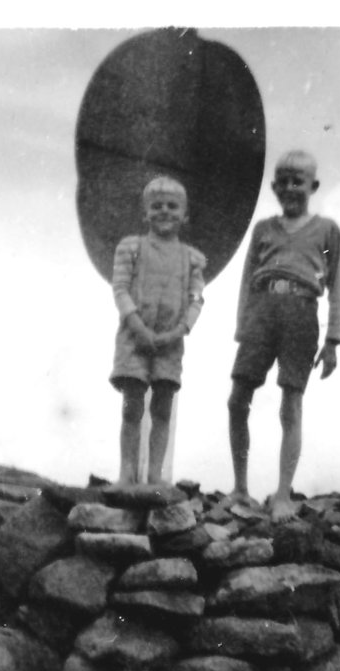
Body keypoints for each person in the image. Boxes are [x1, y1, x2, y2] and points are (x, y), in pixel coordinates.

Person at [227, 149, 340, 521]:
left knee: (290, 404)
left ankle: (282, 494)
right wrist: (243, 324)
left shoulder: (326, 231)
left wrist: (333, 339)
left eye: (299, 181)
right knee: (237, 399)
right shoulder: (263, 229)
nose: (291, 187)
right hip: (263, 309)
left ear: (313, 185)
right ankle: (240, 487)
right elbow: (248, 278)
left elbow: (336, 282)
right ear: (275, 186)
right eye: (285, 181)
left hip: (302, 312)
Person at [110, 176, 206, 484]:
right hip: (134, 339)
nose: (164, 211)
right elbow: (121, 289)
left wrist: (179, 331)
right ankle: (127, 472)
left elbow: (196, 299)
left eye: (172, 206)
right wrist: (138, 327)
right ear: (145, 213)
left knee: (162, 407)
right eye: (157, 206)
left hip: (170, 341)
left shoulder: (191, 259)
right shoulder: (132, 248)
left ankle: (154, 476)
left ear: (184, 214)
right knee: (133, 405)